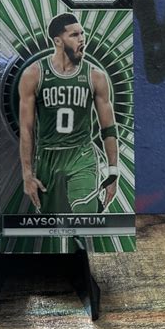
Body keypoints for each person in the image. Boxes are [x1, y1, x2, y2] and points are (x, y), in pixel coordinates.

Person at [18, 13, 119, 214]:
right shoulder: (34, 74)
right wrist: (27, 175)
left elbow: (108, 128)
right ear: (58, 41)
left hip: (82, 155)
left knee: (85, 215)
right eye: (74, 35)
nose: (82, 39)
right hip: (47, 158)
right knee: (53, 223)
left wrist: (113, 172)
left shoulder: (95, 76)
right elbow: (26, 130)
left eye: (82, 33)